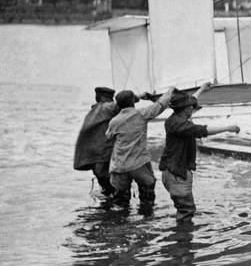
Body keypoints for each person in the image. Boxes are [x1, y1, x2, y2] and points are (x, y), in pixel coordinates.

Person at [158, 84, 240, 221]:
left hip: (174, 171)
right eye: (191, 107)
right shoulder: (178, 124)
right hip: (176, 173)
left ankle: (183, 236)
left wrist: (202, 88)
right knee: (186, 210)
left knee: (185, 209)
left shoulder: (179, 117)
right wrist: (228, 128)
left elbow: (192, 100)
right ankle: (183, 239)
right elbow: (202, 130)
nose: (193, 108)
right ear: (186, 109)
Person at [106, 86, 176, 214]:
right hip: (138, 163)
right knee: (147, 195)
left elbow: (108, 136)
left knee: (121, 202)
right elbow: (160, 105)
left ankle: (121, 225)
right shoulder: (141, 114)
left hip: (119, 166)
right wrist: (170, 91)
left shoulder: (114, 121)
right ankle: (146, 220)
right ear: (133, 102)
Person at [73, 86, 119, 207]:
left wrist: (137, 97)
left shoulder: (105, 107)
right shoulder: (102, 107)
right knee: (101, 172)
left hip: (102, 149)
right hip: (99, 149)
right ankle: (110, 194)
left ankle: (113, 195)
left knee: (102, 172)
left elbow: (124, 102)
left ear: (102, 97)